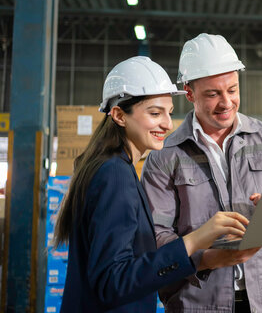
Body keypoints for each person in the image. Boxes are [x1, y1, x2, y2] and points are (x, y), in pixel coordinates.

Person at [53, 56, 249, 313]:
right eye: (154, 113)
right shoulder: (115, 174)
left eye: (168, 112)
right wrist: (197, 238)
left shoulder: (112, 166)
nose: (167, 124)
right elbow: (113, 282)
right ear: (119, 115)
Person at [141, 34, 262, 313]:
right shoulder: (165, 155)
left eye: (232, 90)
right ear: (189, 93)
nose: (226, 102)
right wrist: (207, 259)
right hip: (198, 303)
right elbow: (156, 236)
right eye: (213, 94)